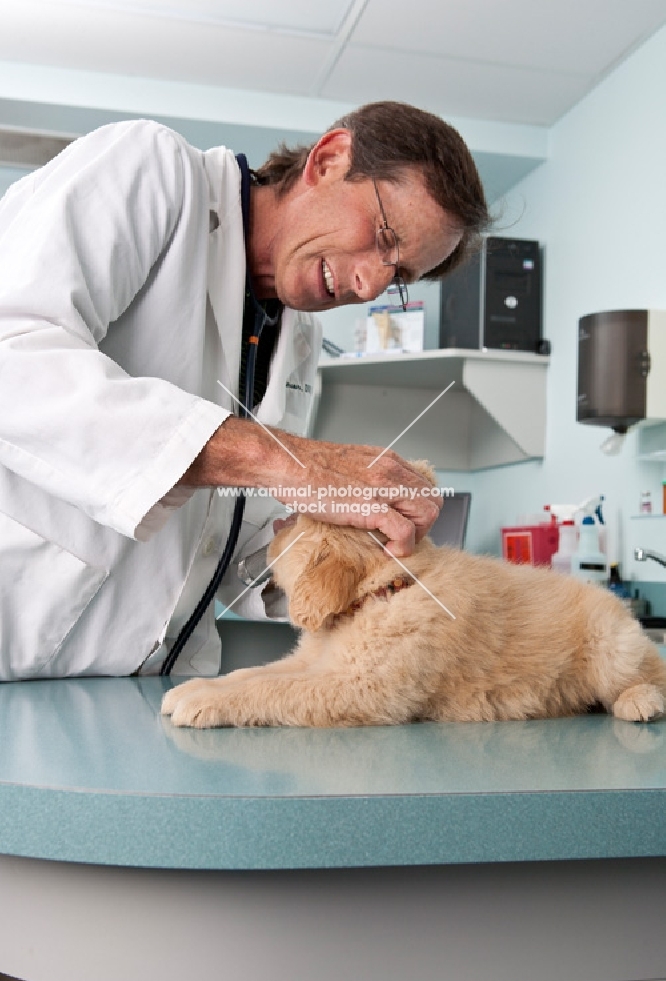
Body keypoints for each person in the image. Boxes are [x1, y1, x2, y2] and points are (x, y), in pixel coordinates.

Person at [0, 101, 490, 681]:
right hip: (20, 651)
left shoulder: (298, 338)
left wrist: (350, 570)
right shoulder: (153, 171)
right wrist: (294, 464)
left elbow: (232, 538)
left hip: (154, 683)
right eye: (385, 238)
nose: (370, 284)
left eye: (400, 277)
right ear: (329, 160)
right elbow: (15, 357)